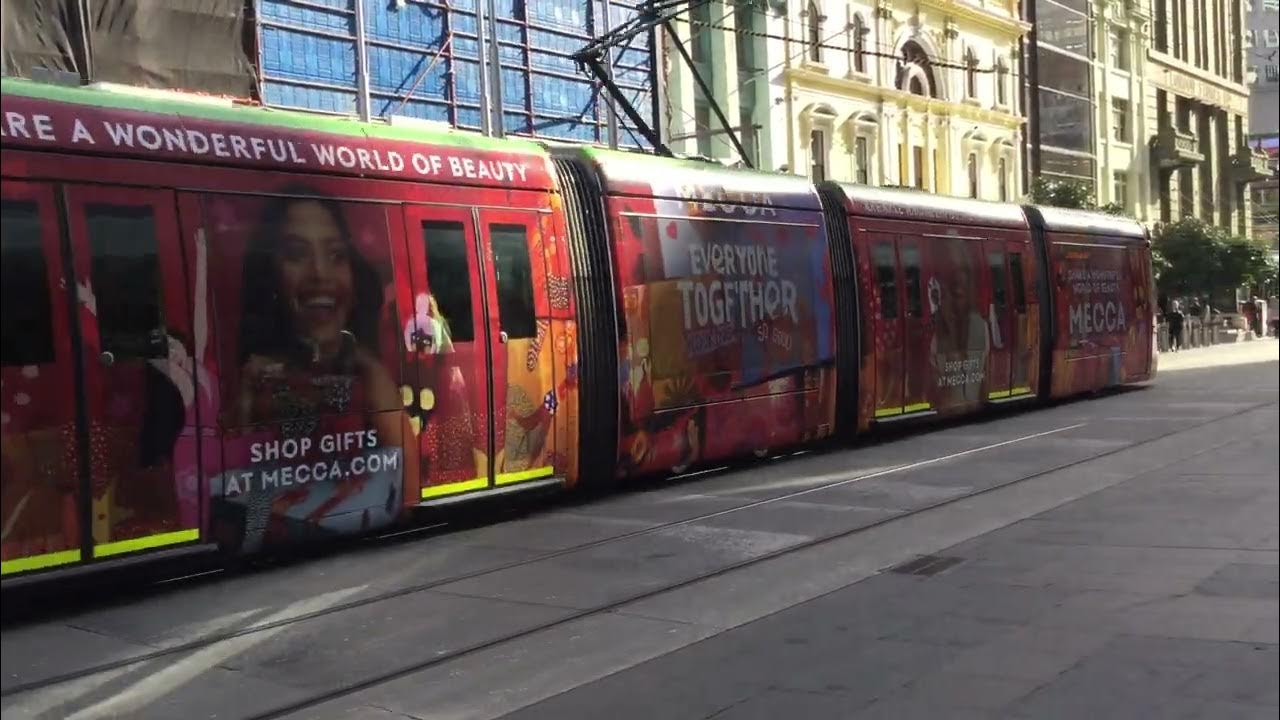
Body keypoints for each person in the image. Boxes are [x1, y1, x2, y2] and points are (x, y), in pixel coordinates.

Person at [236, 188, 416, 478]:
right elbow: (244, 490)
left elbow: (405, 491)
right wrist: (246, 402)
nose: (320, 273)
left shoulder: (367, 374)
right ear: (270, 275)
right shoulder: (257, 376)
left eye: (336, 255)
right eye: (296, 254)